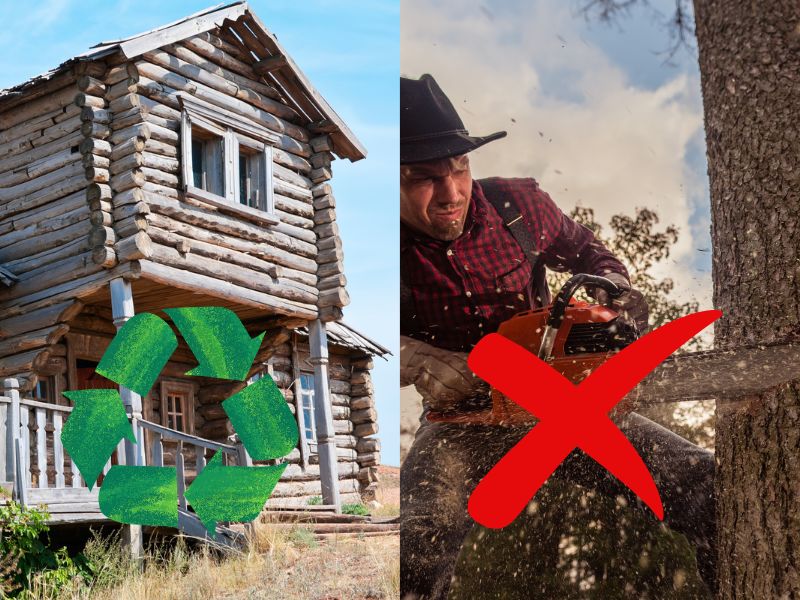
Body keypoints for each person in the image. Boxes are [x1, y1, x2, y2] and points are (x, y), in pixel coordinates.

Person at [399, 74, 716, 599]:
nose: (451, 193)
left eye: (459, 168)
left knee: (706, 486)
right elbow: (352, 332)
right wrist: (417, 358)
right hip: (461, 423)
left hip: (558, 407)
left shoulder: (516, 208)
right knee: (417, 537)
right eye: (422, 178)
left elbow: (600, 260)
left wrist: (608, 294)